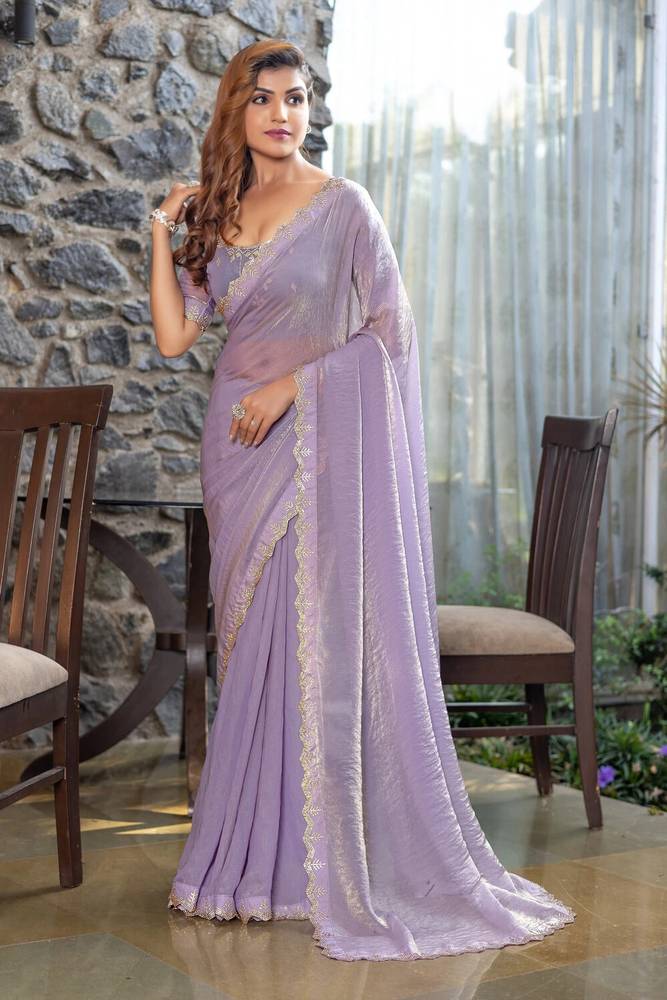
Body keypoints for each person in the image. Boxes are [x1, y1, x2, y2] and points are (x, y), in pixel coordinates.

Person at [149, 38, 576, 962]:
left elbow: (391, 332)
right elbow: (179, 336)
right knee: (252, 648)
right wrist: (160, 233)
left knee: (314, 642)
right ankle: (248, 865)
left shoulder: (343, 206)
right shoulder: (219, 213)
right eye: (263, 99)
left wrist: (293, 388)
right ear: (235, 112)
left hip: (308, 440)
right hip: (236, 449)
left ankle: (315, 866)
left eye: (296, 98)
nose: (282, 114)